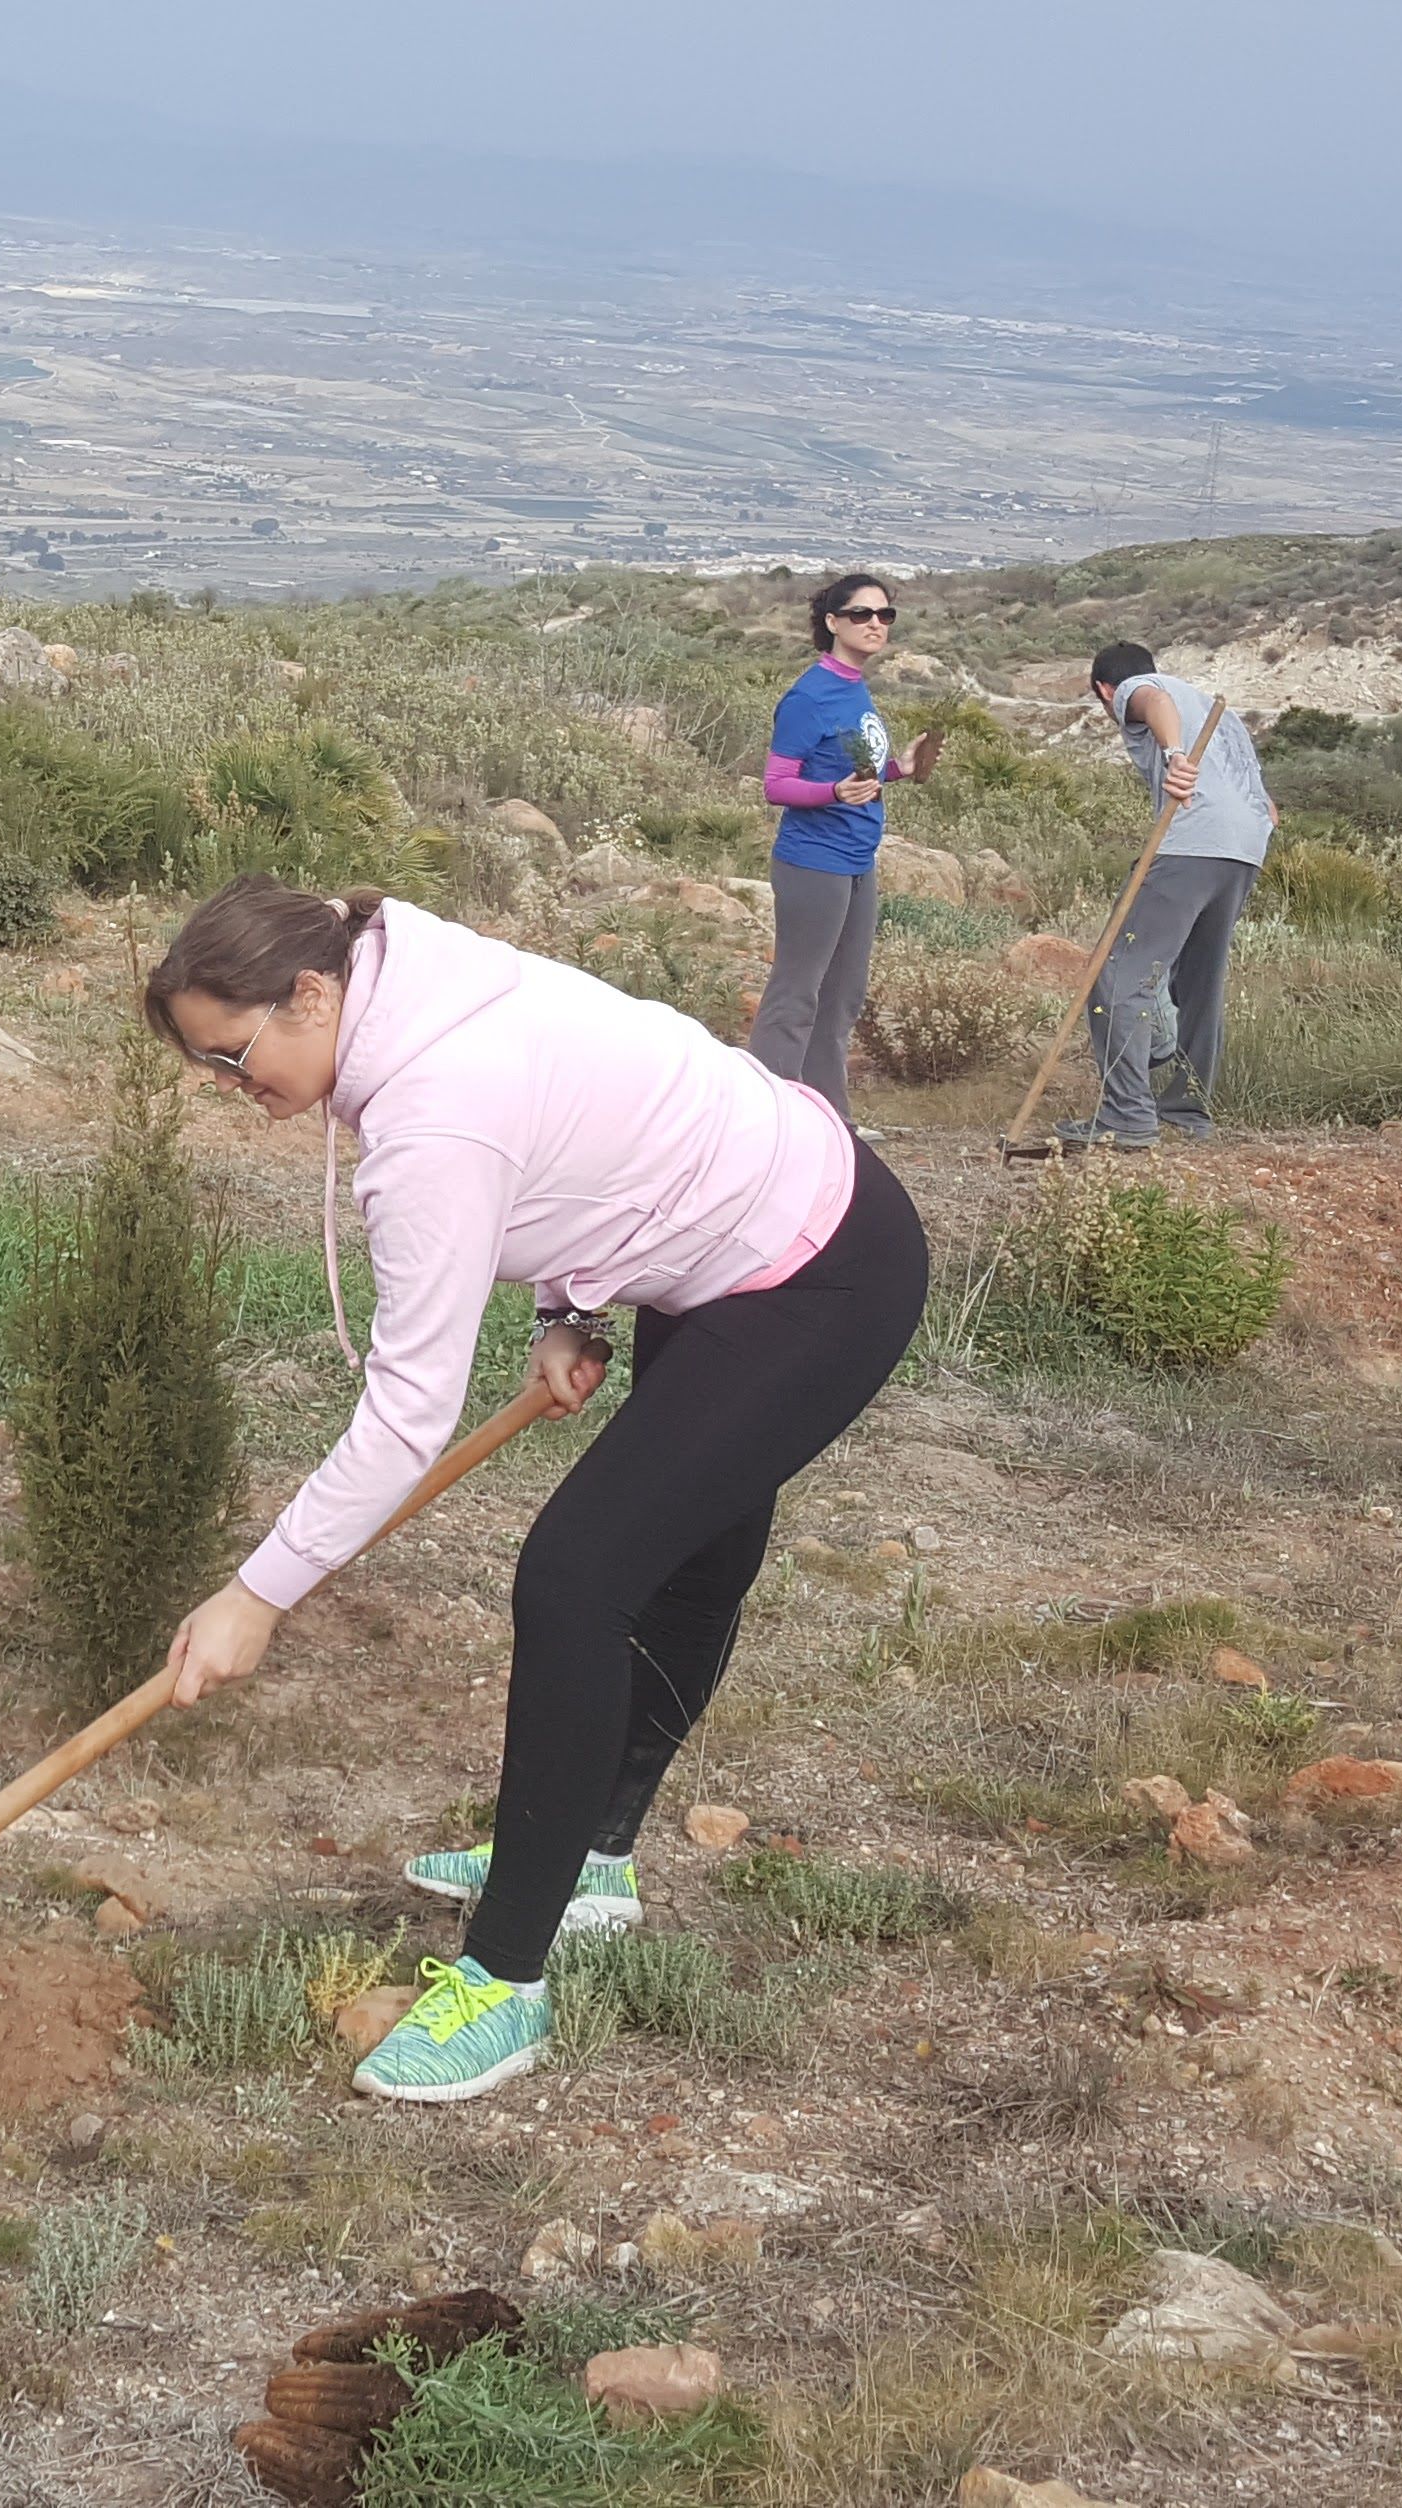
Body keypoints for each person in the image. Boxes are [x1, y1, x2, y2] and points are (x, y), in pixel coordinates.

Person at [144, 878, 928, 2105]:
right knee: (670, 1555)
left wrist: (259, 1593)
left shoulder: (434, 1108)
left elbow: (409, 1411)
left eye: (234, 1056)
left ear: (309, 993)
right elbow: (580, 1135)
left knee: (579, 1578)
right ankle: (590, 1864)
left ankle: (503, 1984)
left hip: (821, 1276)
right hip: (736, 1247)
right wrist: (566, 1305)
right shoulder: (411, 980)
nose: (234, 1089)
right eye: (209, 1069)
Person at [1076, 641, 1273, 1151]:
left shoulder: (1140, 690)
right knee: (1199, 981)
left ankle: (1127, 1117)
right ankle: (1188, 1111)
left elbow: (1151, 703)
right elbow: (1269, 808)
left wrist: (1174, 755)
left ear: (1103, 690)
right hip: (1245, 849)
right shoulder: (1213, 709)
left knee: (1117, 974)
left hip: (1191, 840)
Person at [750, 570, 900, 1107]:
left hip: (859, 859)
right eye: (861, 614)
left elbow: (861, 771)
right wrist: (835, 792)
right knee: (797, 994)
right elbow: (777, 785)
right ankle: (764, 1114)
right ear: (833, 622)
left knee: (841, 1000)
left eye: (885, 615)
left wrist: (903, 768)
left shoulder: (854, 687)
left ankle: (828, 1119)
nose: (875, 624)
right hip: (814, 862)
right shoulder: (808, 696)